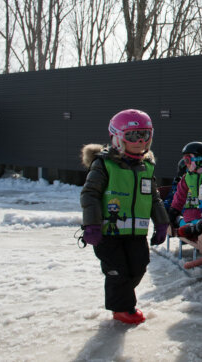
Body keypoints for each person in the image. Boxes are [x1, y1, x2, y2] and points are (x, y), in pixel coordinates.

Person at [80, 109, 170, 324]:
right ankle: (122, 308)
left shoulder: (146, 166)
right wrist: (91, 225)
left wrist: (162, 223)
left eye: (145, 135)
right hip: (108, 232)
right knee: (117, 271)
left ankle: (122, 300)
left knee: (139, 265)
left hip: (136, 232)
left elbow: (154, 198)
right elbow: (90, 194)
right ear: (118, 137)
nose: (139, 141)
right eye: (132, 135)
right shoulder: (103, 164)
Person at [168, 141, 202, 240]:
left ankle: (194, 228)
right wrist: (174, 210)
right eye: (184, 160)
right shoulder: (187, 178)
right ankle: (182, 223)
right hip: (191, 216)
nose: (186, 164)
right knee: (188, 225)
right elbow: (179, 197)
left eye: (188, 160)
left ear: (200, 159)